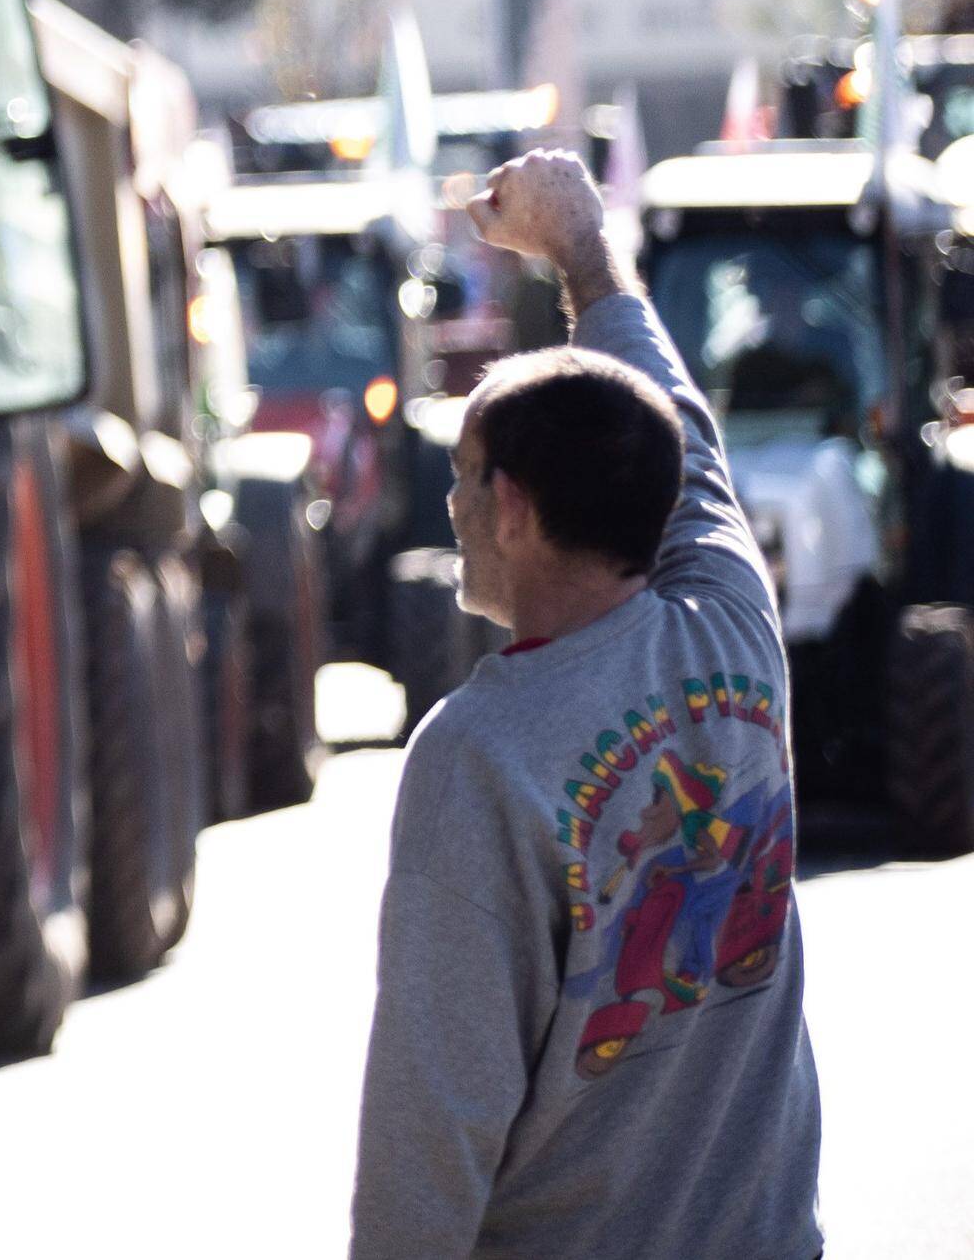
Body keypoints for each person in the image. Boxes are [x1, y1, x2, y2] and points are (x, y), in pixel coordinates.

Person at [350, 145, 820, 1260]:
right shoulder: (734, 626)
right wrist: (580, 249)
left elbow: (433, 1118)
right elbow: (683, 438)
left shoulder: (476, 753)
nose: (451, 508)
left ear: (509, 507)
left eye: (461, 479)